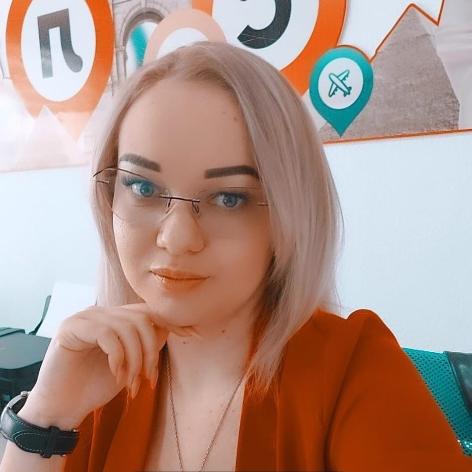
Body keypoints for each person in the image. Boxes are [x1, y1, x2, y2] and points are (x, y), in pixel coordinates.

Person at [0, 41, 469, 472]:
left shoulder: (355, 373)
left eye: (229, 198)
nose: (177, 238)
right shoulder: (96, 375)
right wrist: (46, 417)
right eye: (142, 187)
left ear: (289, 216)